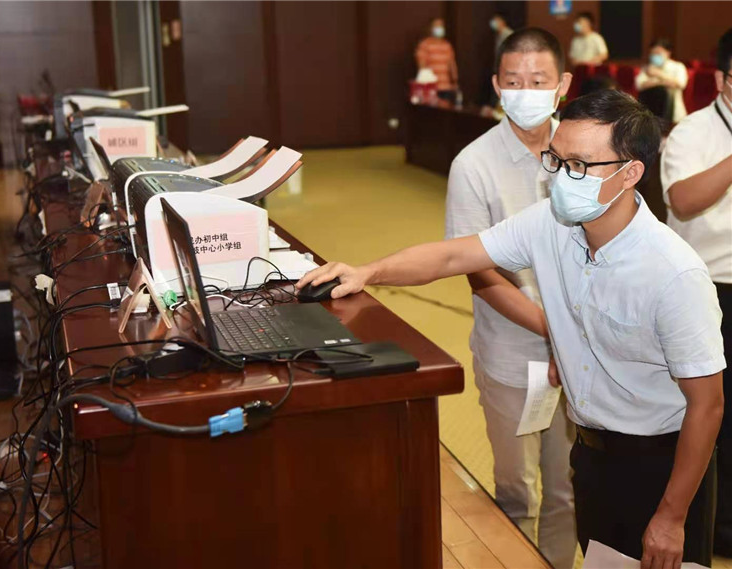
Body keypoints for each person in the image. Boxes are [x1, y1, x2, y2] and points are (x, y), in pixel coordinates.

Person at [298, 89, 724, 568]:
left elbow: (707, 405)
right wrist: (367, 272)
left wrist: (671, 516)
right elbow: (454, 255)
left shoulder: (673, 273)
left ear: (630, 173)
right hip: (591, 452)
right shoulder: (552, 224)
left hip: (661, 466)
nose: (560, 178)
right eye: (556, 160)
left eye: (579, 166)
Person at [446, 28, 576, 569]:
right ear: (497, 86)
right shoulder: (473, 164)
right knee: (517, 491)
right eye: (514, 82)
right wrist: (553, 330)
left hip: (581, 355)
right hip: (513, 353)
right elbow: (479, 273)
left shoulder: (583, 151)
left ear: (562, 84)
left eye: (539, 81)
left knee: (568, 489)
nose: (527, 92)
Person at [661, 27, 732, 557]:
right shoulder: (692, 132)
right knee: (712, 420)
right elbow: (683, 201)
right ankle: (716, 529)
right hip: (711, 289)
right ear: (725, 80)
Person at [635, 39, 689, 123]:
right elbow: (639, 85)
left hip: (674, 115)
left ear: (668, 53)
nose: (655, 56)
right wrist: (661, 83)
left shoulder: (678, 67)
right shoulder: (647, 68)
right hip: (650, 114)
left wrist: (658, 74)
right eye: (652, 53)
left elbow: (680, 83)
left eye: (658, 53)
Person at [415, 18, 459, 98]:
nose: (439, 28)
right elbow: (422, 66)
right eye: (436, 26)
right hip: (431, 87)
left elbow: (452, 64)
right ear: (431, 28)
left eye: (441, 26)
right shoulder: (425, 45)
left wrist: (455, 81)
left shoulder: (447, 45)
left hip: (446, 87)